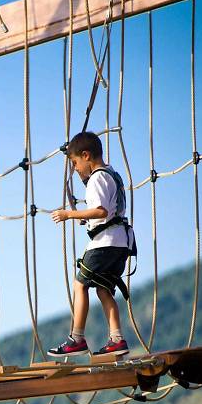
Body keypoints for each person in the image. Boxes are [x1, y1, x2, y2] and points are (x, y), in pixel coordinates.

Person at [48, 131, 135, 357]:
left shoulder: (97, 178)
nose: (75, 169)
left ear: (86, 156)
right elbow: (108, 211)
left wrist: (69, 214)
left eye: (75, 163)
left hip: (103, 244)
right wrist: (88, 218)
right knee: (104, 290)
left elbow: (101, 210)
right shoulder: (112, 174)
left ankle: (76, 338)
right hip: (121, 243)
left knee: (80, 284)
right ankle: (117, 339)